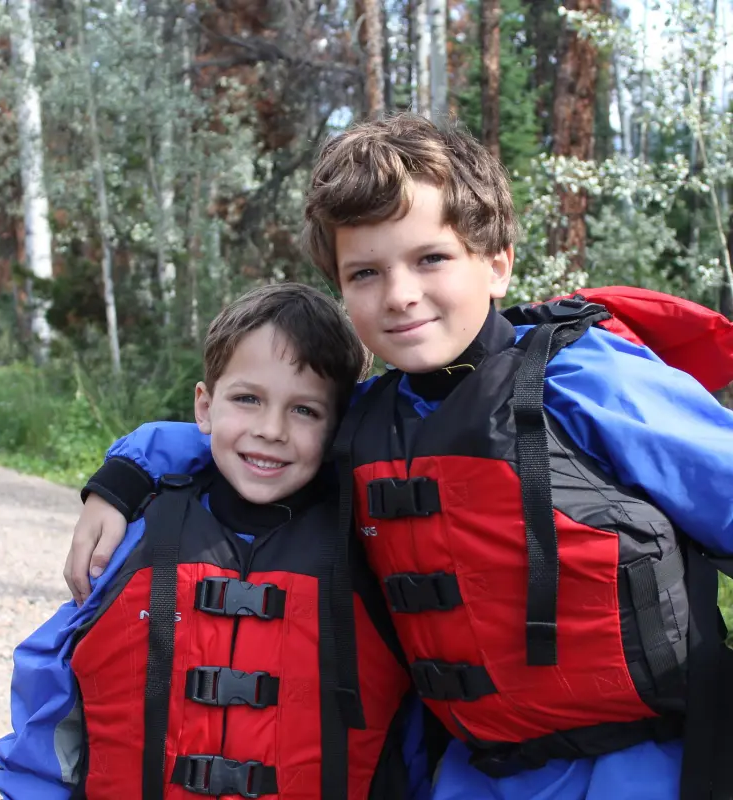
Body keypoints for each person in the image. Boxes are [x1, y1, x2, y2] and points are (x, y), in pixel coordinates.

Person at [63, 113, 733, 800]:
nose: (400, 294)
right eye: (365, 273)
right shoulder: (366, 424)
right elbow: (256, 440)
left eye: (431, 259)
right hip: (479, 771)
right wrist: (127, 469)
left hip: (648, 763)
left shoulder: (591, 380)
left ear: (497, 262)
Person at [0, 283, 439, 800]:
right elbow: (52, 694)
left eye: (305, 411)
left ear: (339, 427)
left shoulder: (374, 543)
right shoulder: (137, 529)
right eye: (248, 399)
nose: (271, 429)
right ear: (204, 406)